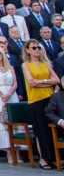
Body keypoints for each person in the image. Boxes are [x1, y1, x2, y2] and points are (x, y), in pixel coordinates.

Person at [21, 40, 60, 169]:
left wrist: (42, 82)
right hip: (36, 100)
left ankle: (56, 157)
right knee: (41, 130)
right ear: (27, 50)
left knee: (52, 129)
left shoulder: (46, 63)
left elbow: (57, 80)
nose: (37, 50)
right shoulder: (26, 65)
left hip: (50, 98)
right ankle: (44, 159)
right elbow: (32, 83)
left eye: (38, 47)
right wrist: (48, 82)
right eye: (33, 48)